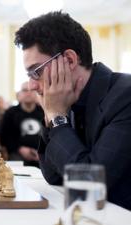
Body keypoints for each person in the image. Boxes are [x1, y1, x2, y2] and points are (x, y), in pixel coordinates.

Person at [14, 11, 131, 209]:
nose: (32, 86)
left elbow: (89, 185)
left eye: (36, 71)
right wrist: (53, 115)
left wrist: (57, 117)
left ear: (68, 60)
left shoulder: (125, 96)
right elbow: (53, 176)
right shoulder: (68, 100)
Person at [0, 82, 44, 167]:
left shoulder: (44, 112)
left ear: (36, 94)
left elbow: (50, 136)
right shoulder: (10, 113)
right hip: (17, 153)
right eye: (25, 90)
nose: (28, 93)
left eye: (32, 90)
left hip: (41, 153)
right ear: (19, 95)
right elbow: (4, 137)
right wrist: (19, 149)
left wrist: (42, 152)